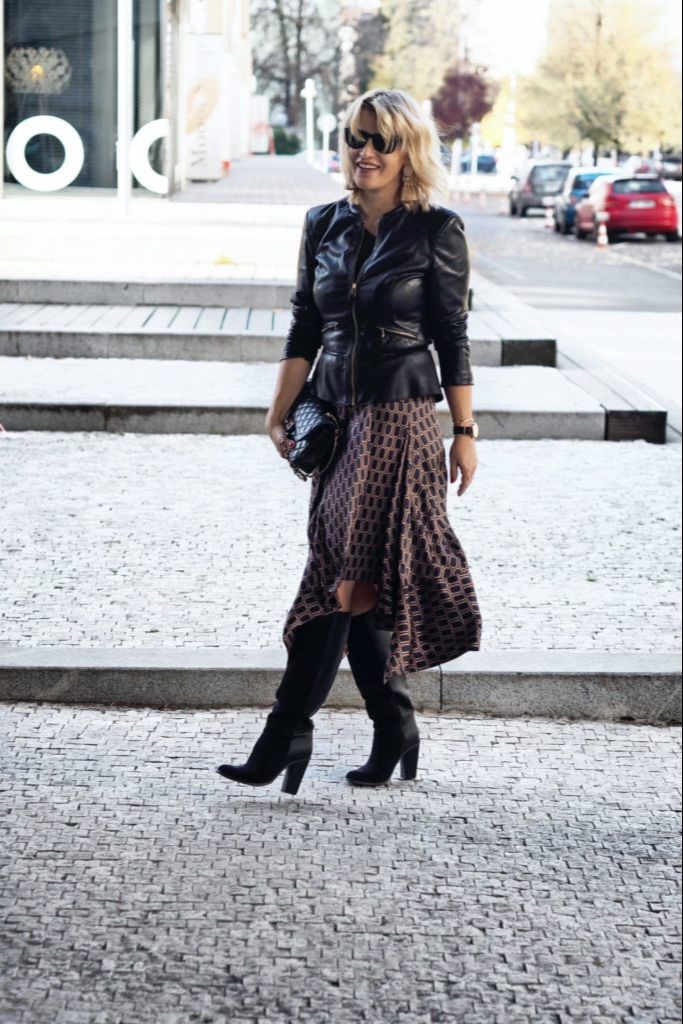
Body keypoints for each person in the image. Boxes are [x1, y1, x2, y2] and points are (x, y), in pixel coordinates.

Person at [217, 87, 482, 794]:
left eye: (381, 140)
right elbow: (305, 324)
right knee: (355, 582)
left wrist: (463, 432)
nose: (364, 151)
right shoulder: (322, 223)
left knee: (340, 577)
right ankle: (393, 724)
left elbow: (453, 336)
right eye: (355, 137)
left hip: (398, 421)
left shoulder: (436, 230)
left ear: (407, 151)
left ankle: (286, 732)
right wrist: (277, 413)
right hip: (336, 419)